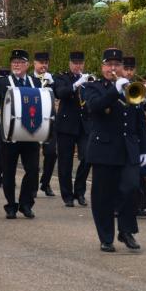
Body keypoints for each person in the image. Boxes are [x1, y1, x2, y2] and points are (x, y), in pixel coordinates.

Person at [84, 48, 146, 252]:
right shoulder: (92, 87)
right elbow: (94, 107)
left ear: (122, 67)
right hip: (103, 149)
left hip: (128, 149)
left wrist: (144, 148)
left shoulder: (131, 88)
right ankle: (106, 237)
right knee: (103, 196)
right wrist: (115, 90)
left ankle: (126, 231)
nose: (113, 68)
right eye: (108, 64)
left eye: (117, 65)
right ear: (102, 66)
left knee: (131, 189)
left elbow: (140, 121)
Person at [0, 49, 41, 219]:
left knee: (32, 170)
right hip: (9, 135)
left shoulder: (35, 82)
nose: (16, 64)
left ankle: (26, 203)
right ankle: (10, 205)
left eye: (20, 62)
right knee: (8, 172)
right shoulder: (3, 83)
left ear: (27, 65)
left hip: (31, 134)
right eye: (14, 62)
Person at [53, 51, 91, 207]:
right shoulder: (62, 77)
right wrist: (76, 84)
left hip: (84, 125)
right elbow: (60, 93)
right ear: (70, 64)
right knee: (65, 162)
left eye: (80, 63)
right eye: (75, 63)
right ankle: (67, 195)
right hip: (66, 126)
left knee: (87, 158)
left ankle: (80, 192)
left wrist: (88, 83)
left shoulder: (88, 79)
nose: (78, 66)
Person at [122, 56, 146, 217]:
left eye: (131, 69)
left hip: (136, 134)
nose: (129, 72)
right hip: (120, 134)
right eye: (126, 69)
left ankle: (141, 205)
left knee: (138, 173)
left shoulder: (138, 86)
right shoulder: (117, 86)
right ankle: (120, 205)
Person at [32, 52, 56, 197]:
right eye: (41, 62)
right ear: (34, 64)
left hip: (50, 120)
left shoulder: (51, 79)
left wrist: (52, 83)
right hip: (34, 119)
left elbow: (60, 94)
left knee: (52, 153)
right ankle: (33, 185)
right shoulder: (29, 79)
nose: (44, 65)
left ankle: (45, 182)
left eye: (46, 62)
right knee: (33, 155)